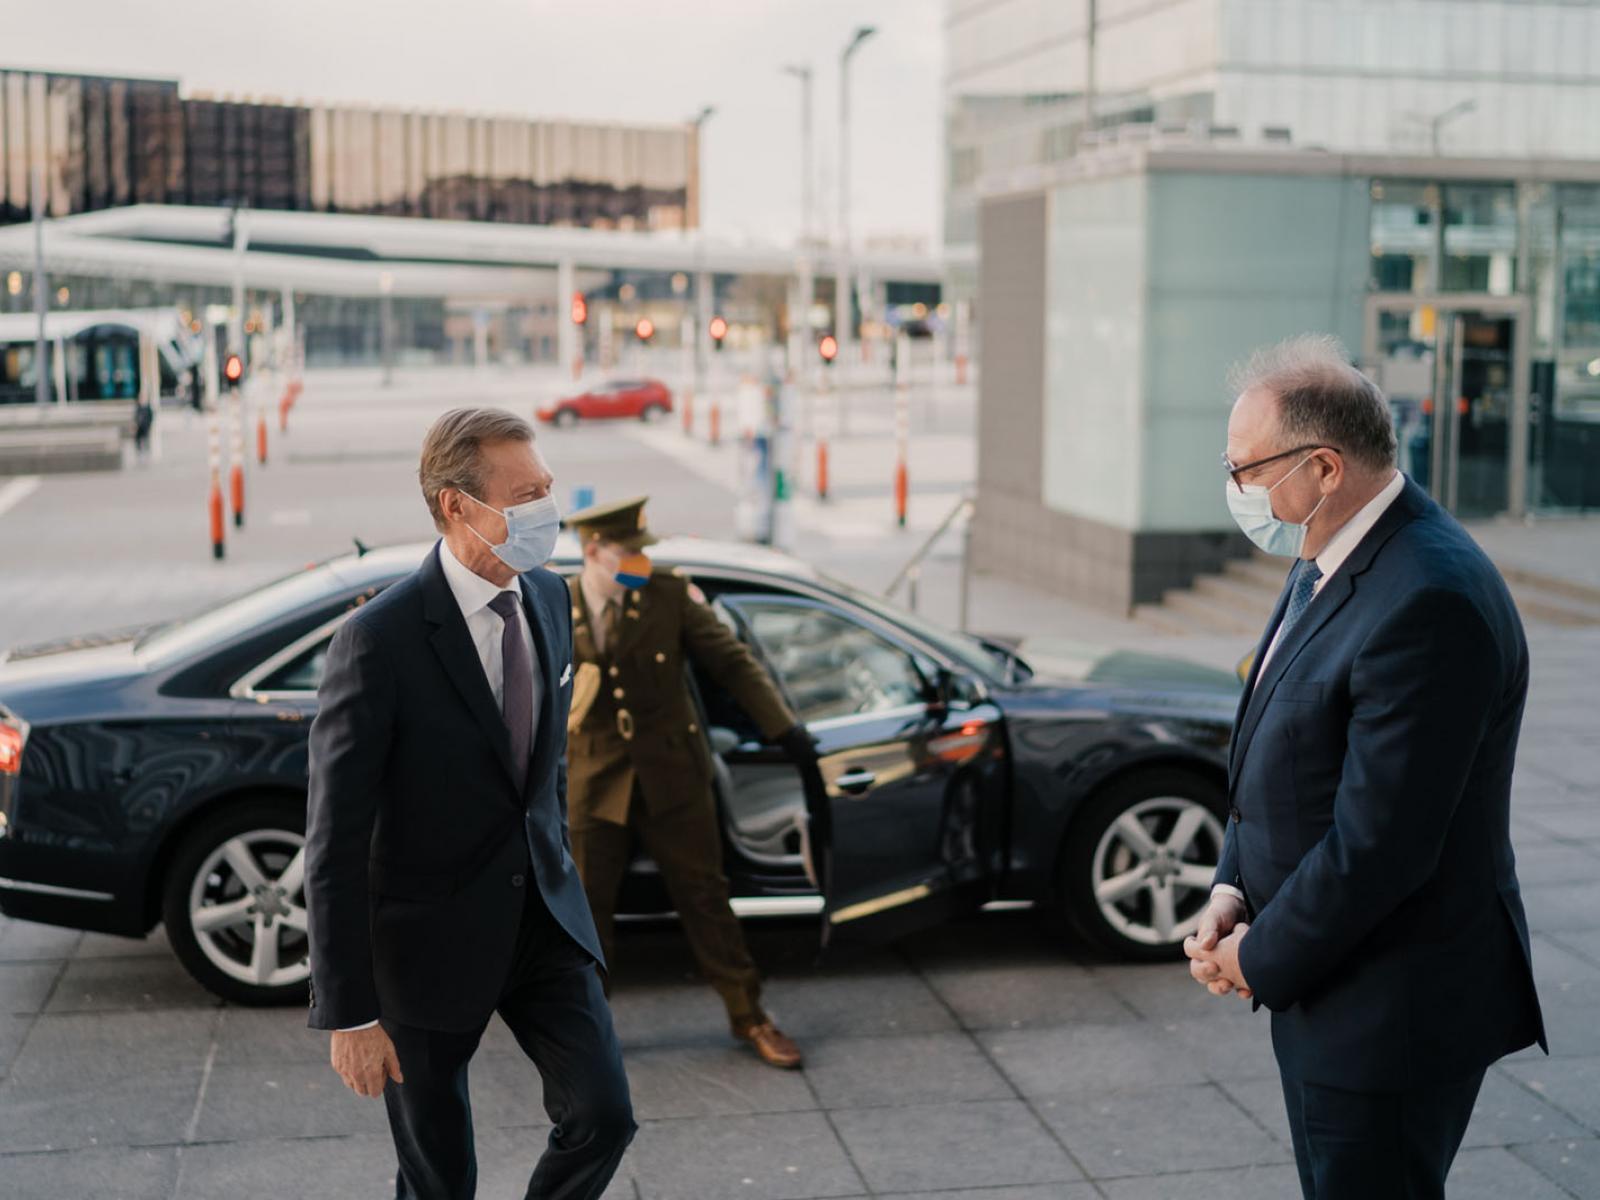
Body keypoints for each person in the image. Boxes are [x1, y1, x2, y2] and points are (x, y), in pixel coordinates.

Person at [1184, 335, 1545, 1199]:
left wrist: (1256, 956)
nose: (1236, 490)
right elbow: (1284, 748)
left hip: (1393, 1011)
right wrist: (1232, 891)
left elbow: (1381, 843)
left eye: (1245, 470)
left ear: (1323, 466)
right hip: (1334, 985)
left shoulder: (1429, 599)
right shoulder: (1328, 552)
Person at [304, 407, 634, 1200]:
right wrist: (347, 1013)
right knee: (440, 1178)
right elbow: (333, 840)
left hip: (543, 927)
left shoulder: (550, 600)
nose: (546, 511)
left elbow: (540, 776)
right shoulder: (378, 642)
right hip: (423, 947)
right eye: (525, 496)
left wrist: (565, 885)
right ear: (458, 506)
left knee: (605, 1116)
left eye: (546, 488)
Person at [562, 495, 814, 1069]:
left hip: (673, 774)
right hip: (595, 777)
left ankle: (750, 1016)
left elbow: (733, 661)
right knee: (587, 911)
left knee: (705, 898)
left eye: (643, 551)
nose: (640, 561)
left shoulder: (667, 594)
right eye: (629, 552)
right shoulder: (558, 601)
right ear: (594, 551)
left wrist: (783, 728)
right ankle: (587, 1033)